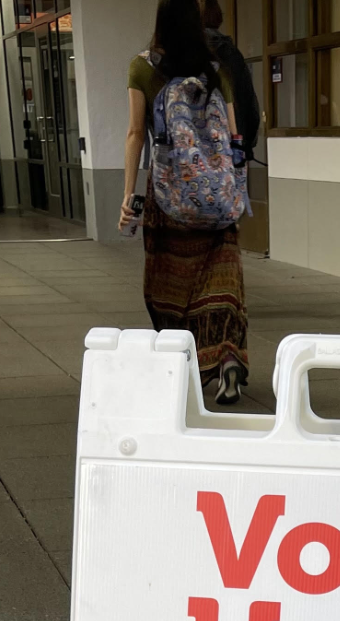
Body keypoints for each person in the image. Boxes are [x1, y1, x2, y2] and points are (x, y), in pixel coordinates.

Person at [121, 0, 248, 404]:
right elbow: (233, 136)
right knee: (223, 283)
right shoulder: (216, 70)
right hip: (217, 199)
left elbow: (135, 134)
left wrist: (129, 196)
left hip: (168, 197)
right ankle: (227, 357)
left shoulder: (142, 67)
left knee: (168, 286)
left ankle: (186, 361)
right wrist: (234, 188)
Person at [201, 0, 260, 161]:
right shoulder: (231, 53)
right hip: (231, 150)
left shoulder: (179, 55)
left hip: (191, 155)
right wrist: (246, 145)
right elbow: (248, 103)